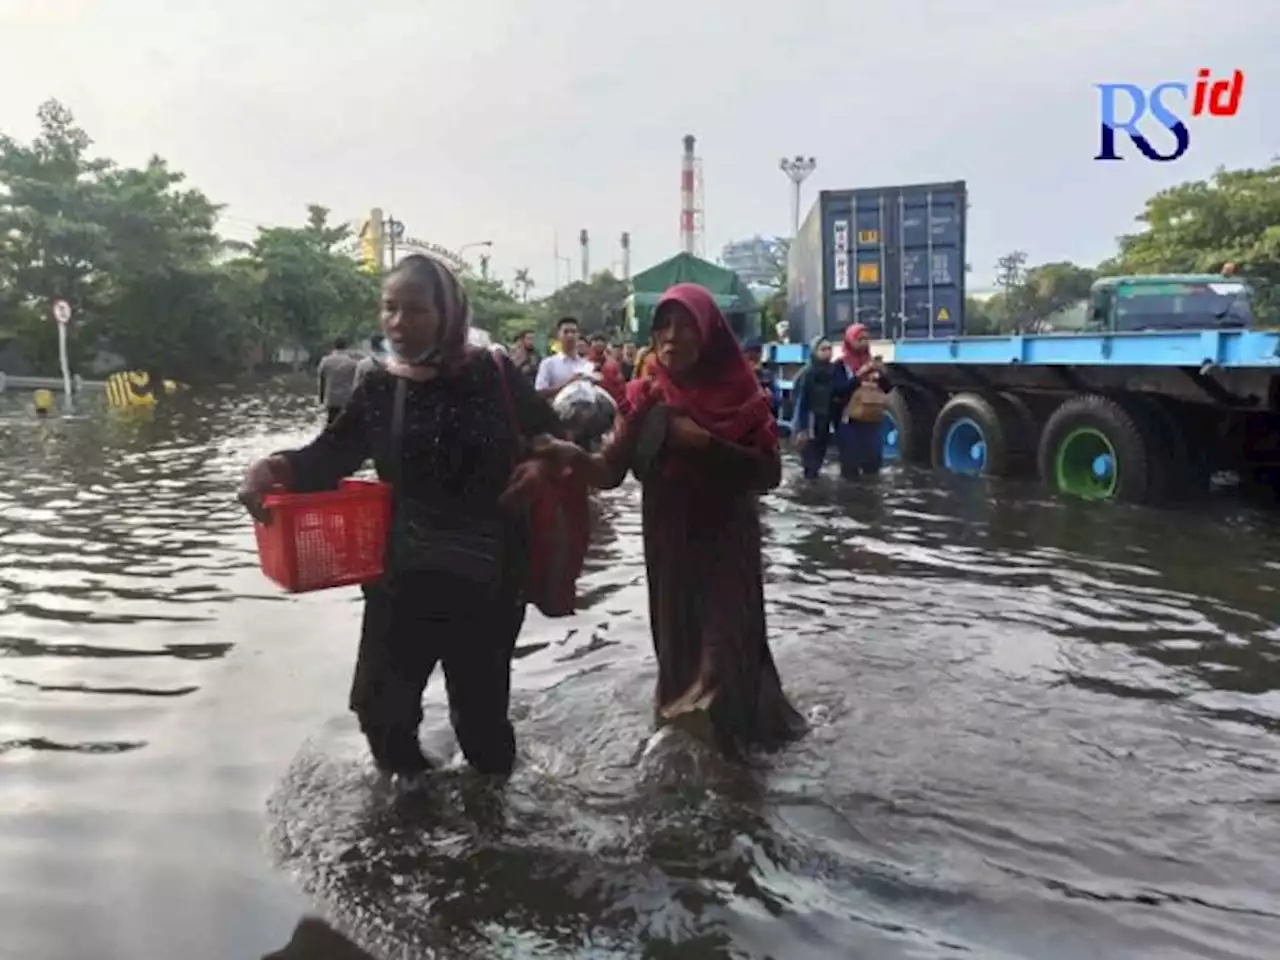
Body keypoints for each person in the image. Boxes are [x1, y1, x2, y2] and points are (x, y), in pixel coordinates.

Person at [237, 254, 562, 778]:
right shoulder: (379, 385)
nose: (398, 323)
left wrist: (542, 467)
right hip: (401, 575)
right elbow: (330, 455)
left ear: (448, 314)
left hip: (488, 578)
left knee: (479, 724)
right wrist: (273, 467)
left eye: (416, 310)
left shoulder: (493, 373)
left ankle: (492, 826)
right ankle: (414, 805)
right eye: (390, 308)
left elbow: (553, 437)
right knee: (379, 711)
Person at [529, 283, 806, 758]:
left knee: (720, 665)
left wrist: (706, 443)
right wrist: (568, 456)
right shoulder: (647, 398)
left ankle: (739, 781)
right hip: (669, 550)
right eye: (663, 326)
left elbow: (769, 474)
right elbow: (611, 472)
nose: (672, 337)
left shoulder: (741, 395)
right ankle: (689, 769)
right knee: (680, 659)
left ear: (710, 336)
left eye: (685, 327)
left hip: (725, 549)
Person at [833, 323, 893, 478]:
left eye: (867, 339)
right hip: (850, 422)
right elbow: (839, 390)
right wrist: (859, 376)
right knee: (850, 467)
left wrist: (882, 374)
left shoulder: (872, 363)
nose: (864, 342)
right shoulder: (841, 365)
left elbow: (888, 389)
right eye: (859, 339)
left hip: (872, 420)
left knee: (873, 465)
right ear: (849, 341)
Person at [790, 336, 850, 480]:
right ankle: (809, 491)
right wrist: (801, 428)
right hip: (811, 421)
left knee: (820, 455)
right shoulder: (808, 373)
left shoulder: (833, 371)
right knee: (811, 461)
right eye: (823, 349)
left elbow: (840, 391)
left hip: (825, 420)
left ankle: (814, 489)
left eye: (830, 349)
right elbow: (801, 402)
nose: (827, 352)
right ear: (814, 351)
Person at [534, 317, 593, 400]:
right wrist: (568, 384)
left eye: (573, 332)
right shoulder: (548, 363)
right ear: (558, 335)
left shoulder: (586, 364)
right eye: (566, 332)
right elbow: (539, 392)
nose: (570, 335)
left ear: (578, 335)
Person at [317, 338, 363, 425]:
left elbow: (321, 381)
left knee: (331, 423)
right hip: (347, 399)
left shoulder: (325, 361)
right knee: (347, 425)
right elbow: (358, 383)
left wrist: (321, 399)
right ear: (346, 347)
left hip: (332, 400)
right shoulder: (353, 363)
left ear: (333, 346)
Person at [742, 337, 782, 418]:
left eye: (757, 353)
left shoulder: (767, 376)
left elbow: (777, 401)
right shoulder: (740, 376)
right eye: (750, 355)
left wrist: (770, 398)